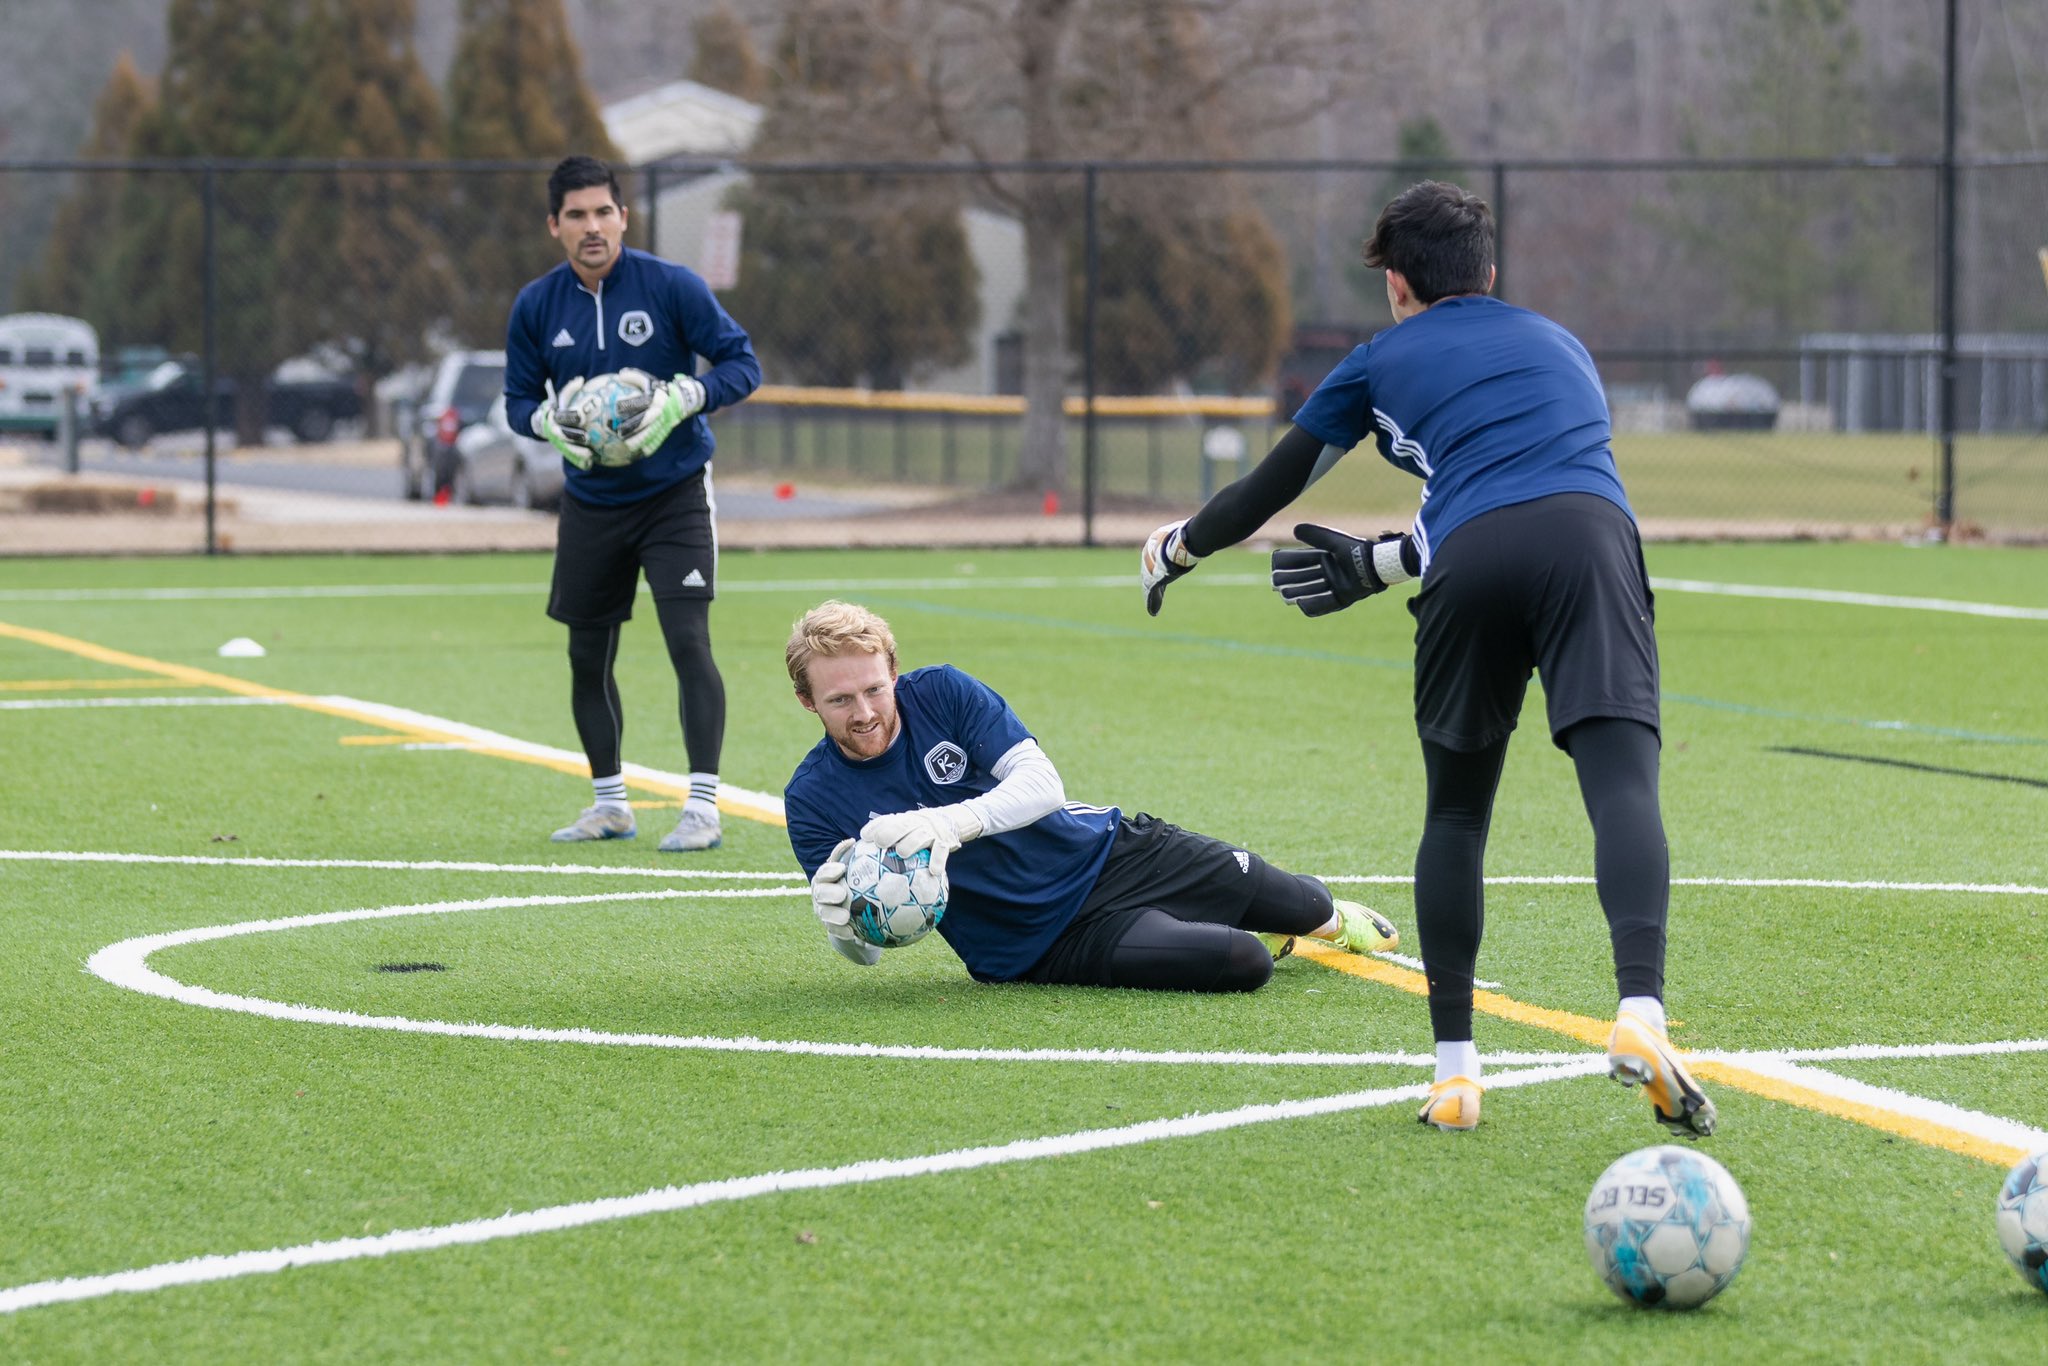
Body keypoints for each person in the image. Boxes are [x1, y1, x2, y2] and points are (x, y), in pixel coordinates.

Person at [1139, 180, 1713, 1138]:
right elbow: (1534, 477)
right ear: (1489, 273)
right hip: (1594, 538)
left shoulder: (1377, 359)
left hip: (1474, 557)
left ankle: (1454, 1075)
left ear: (1396, 284)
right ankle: (1641, 1013)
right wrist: (1385, 556)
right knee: (1623, 785)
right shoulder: (1560, 342)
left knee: (1456, 810)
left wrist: (1180, 546)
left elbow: (1273, 490)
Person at [781, 600, 1399, 989]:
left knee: (1302, 903)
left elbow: (1043, 786)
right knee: (1245, 963)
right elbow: (867, 946)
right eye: (839, 700)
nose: (863, 712)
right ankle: (1238, 930)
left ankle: (1328, 917)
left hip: (1112, 852)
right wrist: (844, 931)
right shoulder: (812, 799)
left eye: (874, 690)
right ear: (809, 701)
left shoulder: (942, 692)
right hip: (1038, 942)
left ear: (893, 671)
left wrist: (948, 826)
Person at [505, 155, 761, 852]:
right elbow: (517, 402)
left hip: (674, 493)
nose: (594, 227)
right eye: (578, 215)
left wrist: (687, 395)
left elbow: (743, 364)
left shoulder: (672, 287)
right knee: (587, 656)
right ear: (554, 225)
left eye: (604, 212)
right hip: (590, 499)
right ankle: (610, 804)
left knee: (687, 642)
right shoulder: (536, 306)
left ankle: (702, 808)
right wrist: (546, 423)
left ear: (624, 216)